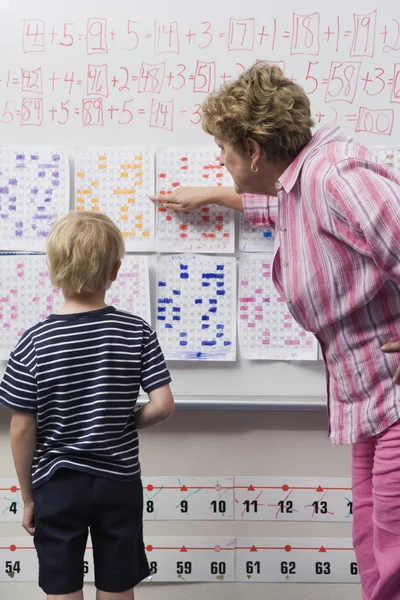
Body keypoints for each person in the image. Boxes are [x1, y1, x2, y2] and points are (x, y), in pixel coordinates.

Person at [151, 61, 400, 600]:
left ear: (255, 150)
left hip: (395, 398)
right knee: (375, 554)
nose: (221, 160)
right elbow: (286, 210)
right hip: (368, 402)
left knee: (396, 555)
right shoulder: (302, 185)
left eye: (225, 150)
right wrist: (215, 197)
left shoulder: (338, 177)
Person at [0, 211, 174, 600]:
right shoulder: (136, 331)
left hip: (57, 484)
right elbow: (162, 406)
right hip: (119, 482)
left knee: (62, 585)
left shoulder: (32, 341)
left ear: (53, 268)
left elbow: (22, 428)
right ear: (114, 271)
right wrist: (125, 422)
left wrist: (28, 497)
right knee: (117, 583)